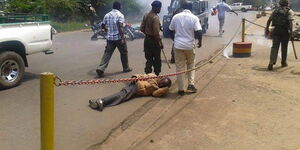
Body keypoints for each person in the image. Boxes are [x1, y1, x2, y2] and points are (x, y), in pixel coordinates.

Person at [169, 1, 202, 96]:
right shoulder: (194, 18)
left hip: (178, 46)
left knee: (179, 67)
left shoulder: (176, 17)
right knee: (191, 65)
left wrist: (174, 40)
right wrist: (200, 42)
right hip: (189, 46)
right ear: (191, 8)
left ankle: (181, 90)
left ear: (182, 7)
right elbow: (199, 32)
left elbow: (170, 30)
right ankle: (191, 85)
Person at [89, 74, 171, 111]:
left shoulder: (157, 89)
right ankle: (101, 101)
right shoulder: (153, 76)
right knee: (121, 96)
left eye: (164, 85)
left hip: (136, 91)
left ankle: (98, 102)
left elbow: (155, 94)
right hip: (136, 85)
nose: (161, 84)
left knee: (122, 96)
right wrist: (135, 77)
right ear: (161, 79)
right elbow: (143, 76)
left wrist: (165, 88)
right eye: (163, 82)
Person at [96, 1, 132, 77]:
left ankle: (101, 68)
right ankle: (126, 68)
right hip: (118, 38)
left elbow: (102, 25)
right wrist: (123, 38)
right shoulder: (120, 15)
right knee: (124, 52)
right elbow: (120, 26)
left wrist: (106, 30)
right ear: (119, 7)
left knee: (107, 53)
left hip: (110, 38)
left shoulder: (107, 15)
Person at [265, 0, 293, 71]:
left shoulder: (275, 11)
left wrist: (267, 30)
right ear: (287, 4)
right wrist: (291, 32)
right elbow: (290, 23)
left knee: (274, 47)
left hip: (276, 31)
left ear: (280, 4)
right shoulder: (289, 11)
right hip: (285, 32)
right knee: (284, 47)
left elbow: (269, 20)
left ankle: (271, 63)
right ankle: (283, 62)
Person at [140, 1, 164, 76]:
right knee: (157, 59)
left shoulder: (146, 15)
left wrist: (148, 34)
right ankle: (157, 74)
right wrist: (160, 43)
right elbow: (156, 33)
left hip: (147, 40)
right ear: (156, 8)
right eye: (160, 8)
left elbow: (142, 28)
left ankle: (148, 74)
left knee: (149, 59)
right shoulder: (155, 17)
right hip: (154, 41)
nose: (160, 10)